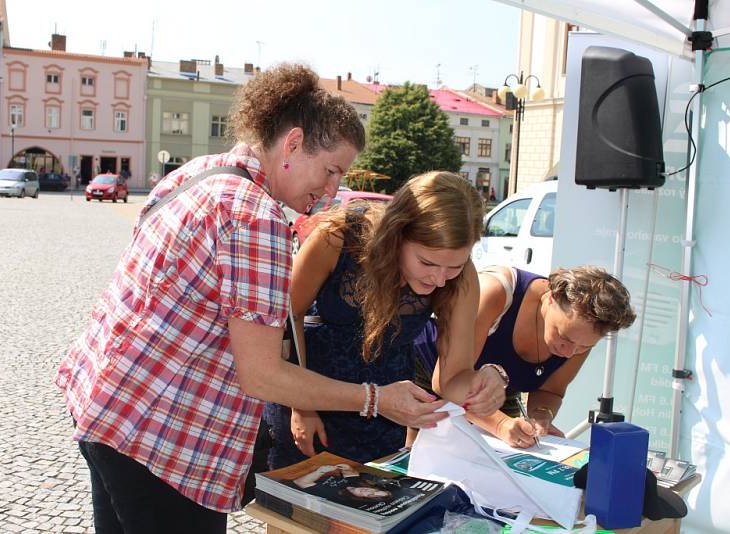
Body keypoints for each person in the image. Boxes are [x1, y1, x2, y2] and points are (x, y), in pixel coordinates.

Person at [55, 63, 449, 534]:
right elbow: (262, 375)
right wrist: (375, 399)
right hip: (161, 439)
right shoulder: (255, 218)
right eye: (329, 172)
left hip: (107, 408)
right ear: (294, 143)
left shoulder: (198, 173)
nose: (330, 194)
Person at [263, 171, 509, 471]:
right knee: (294, 509)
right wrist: (301, 406)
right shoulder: (337, 237)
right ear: (397, 234)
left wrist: (487, 381)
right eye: (427, 262)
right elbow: (287, 321)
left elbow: (452, 378)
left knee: (370, 507)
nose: (440, 278)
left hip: (387, 413)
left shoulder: (462, 279)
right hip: (311, 399)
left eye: (454, 266)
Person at [413, 265, 636, 448]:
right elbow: (447, 381)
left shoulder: (580, 335)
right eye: (563, 336)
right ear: (550, 298)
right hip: (428, 371)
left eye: (584, 347)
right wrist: (500, 425)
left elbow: (550, 390)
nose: (569, 352)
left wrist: (541, 417)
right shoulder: (496, 293)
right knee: (418, 459)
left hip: (497, 393)